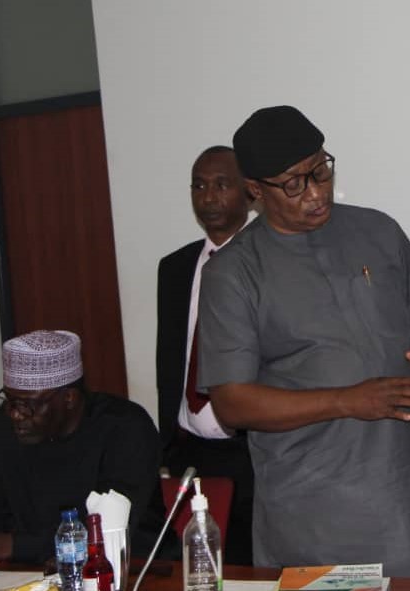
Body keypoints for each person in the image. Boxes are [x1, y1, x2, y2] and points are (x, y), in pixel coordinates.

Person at [196, 106, 410, 578]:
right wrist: (347, 400)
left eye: (320, 170)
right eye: (293, 184)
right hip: (319, 506)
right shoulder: (233, 273)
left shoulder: (378, 230)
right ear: (255, 192)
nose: (315, 193)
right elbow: (232, 403)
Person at [0, 330, 161, 567]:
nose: (15, 414)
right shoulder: (3, 426)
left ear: (69, 399)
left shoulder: (125, 427)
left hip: (135, 570)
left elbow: (110, 529)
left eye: (27, 404)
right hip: (30, 572)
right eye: (9, 400)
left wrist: (7, 546)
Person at [157, 145, 253, 564]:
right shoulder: (175, 267)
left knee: (251, 567)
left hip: (253, 452)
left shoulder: (269, 262)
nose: (209, 197)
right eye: (199, 186)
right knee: (195, 569)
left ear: (249, 192)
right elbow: (170, 356)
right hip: (189, 451)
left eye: (221, 185)